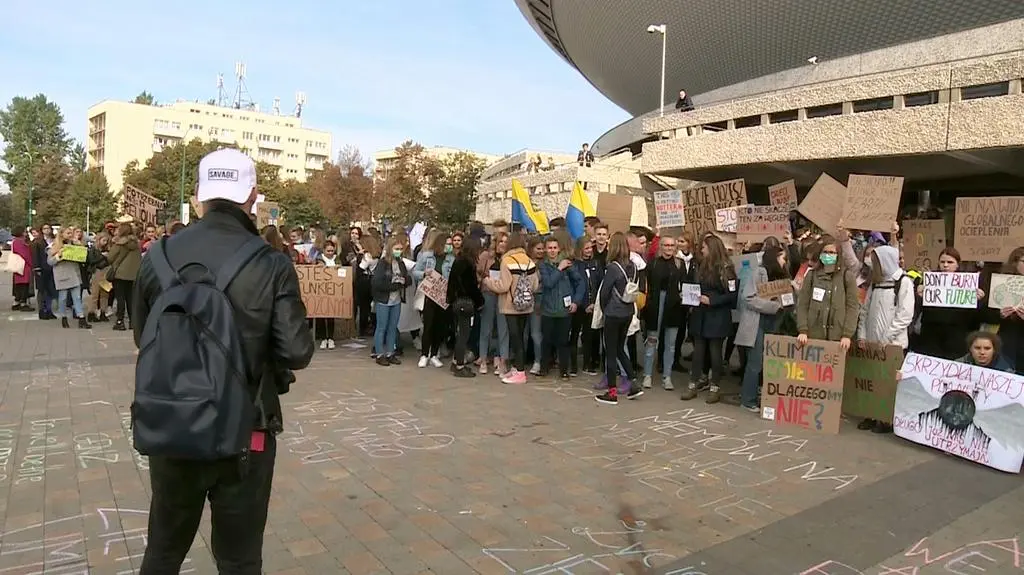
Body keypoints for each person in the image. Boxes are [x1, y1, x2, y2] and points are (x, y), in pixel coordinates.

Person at [132, 148, 313, 573]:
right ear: (251, 195)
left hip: (173, 421)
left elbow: (143, 336)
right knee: (239, 559)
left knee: (163, 552)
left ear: (199, 194)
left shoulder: (157, 256)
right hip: (246, 426)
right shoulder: (271, 263)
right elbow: (296, 351)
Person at [680, 234, 738, 403]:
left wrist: (712, 300)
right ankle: (693, 384)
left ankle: (715, 387)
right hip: (700, 314)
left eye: (704, 247)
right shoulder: (702, 265)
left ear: (712, 248)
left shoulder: (726, 269)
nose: (702, 250)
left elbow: (732, 295)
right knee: (698, 352)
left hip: (717, 316)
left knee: (715, 352)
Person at [737, 246, 794, 412]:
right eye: (782, 258)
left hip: (774, 323)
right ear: (774, 258)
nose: (785, 262)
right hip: (757, 323)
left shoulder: (784, 276)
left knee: (766, 363)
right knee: (755, 363)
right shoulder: (758, 273)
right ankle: (748, 400)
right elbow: (748, 298)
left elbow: (788, 301)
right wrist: (773, 306)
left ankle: (759, 395)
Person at [482, 233, 539, 384]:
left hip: (510, 305)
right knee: (520, 336)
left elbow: (503, 286)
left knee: (515, 339)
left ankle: (520, 373)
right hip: (526, 305)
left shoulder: (507, 260)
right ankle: (517, 368)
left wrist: (488, 282)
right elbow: (535, 285)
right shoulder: (529, 261)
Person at [595, 232, 644, 404]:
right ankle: (633, 383)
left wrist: (604, 309)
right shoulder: (633, 266)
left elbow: (605, 292)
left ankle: (612, 392)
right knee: (620, 349)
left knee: (610, 351)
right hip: (628, 311)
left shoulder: (613, 267)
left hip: (613, 313)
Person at [641, 234, 686, 391]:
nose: (669, 248)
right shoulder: (652, 263)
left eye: (672, 245)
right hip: (655, 305)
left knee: (670, 344)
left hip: (673, 306)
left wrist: (683, 296)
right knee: (651, 341)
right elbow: (645, 284)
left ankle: (667, 377)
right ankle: (647, 375)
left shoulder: (680, 264)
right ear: (660, 247)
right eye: (666, 245)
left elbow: (685, 284)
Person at [538, 236, 585, 379]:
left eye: (554, 248)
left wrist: (576, 301)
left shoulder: (567, 263)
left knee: (563, 341)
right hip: (548, 309)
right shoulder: (543, 265)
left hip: (564, 310)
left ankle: (564, 370)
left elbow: (580, 282)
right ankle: (544, 367)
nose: (552, 251)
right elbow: (548, 283)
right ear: (546, 250)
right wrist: (559, 268)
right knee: (546, 340)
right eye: (549, 248)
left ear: (559, 249)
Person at [447, 241, 484, 377]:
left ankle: (456, 361)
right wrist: (480, 301)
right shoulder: (467, 264)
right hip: (465, 302)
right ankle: (459, 365)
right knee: (463, 335)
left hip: (457, 301)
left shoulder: (459, 261)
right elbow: (470, 287)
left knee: (461, 333)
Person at [372, 236, 410, 365]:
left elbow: (407, 278)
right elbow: (377, 283)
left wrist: (404, 281)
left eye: (400, 249)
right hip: (384, 299)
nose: (399, 251)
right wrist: (394, 286)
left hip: (397, 300)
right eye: (396, 249)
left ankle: (390, 353)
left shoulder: (401, 263)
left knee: (393, 327)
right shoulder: (383, 263)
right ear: (390, 249)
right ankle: (379, 354)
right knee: (381, 327)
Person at [47, 228, 90, 329]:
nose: (70, 235)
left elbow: (84, 256)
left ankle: (81, 318)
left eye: (71, 233)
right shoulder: (54, 246)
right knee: (63, 298)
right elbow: (50, 262)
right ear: (62, 234)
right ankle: (64, 317)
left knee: (77, 298)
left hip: (74, 274)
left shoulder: (74, 244)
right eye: (68, 233)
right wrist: (58, 256)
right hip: (62, 275)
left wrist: (80, 246)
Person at [106, 222, 142, 331]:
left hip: (120, 274)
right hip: (134, 275)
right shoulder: (136, 244)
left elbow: (110, 258)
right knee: (131, 298)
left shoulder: (119, 243)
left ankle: (120, 321)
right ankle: (133, 322)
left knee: (120, 298)